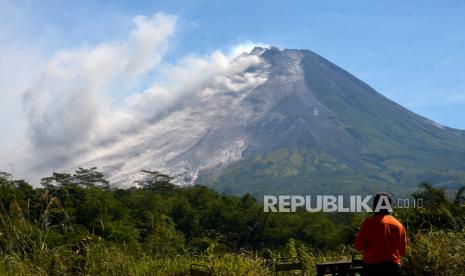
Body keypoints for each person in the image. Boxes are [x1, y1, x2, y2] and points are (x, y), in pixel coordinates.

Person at [354, 193, 407, 276]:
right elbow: (402, 252)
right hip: (394, 269)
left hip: (372, 269)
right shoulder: (399, 225)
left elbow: (358, 246)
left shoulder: (368, 223)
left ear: (375, 207)